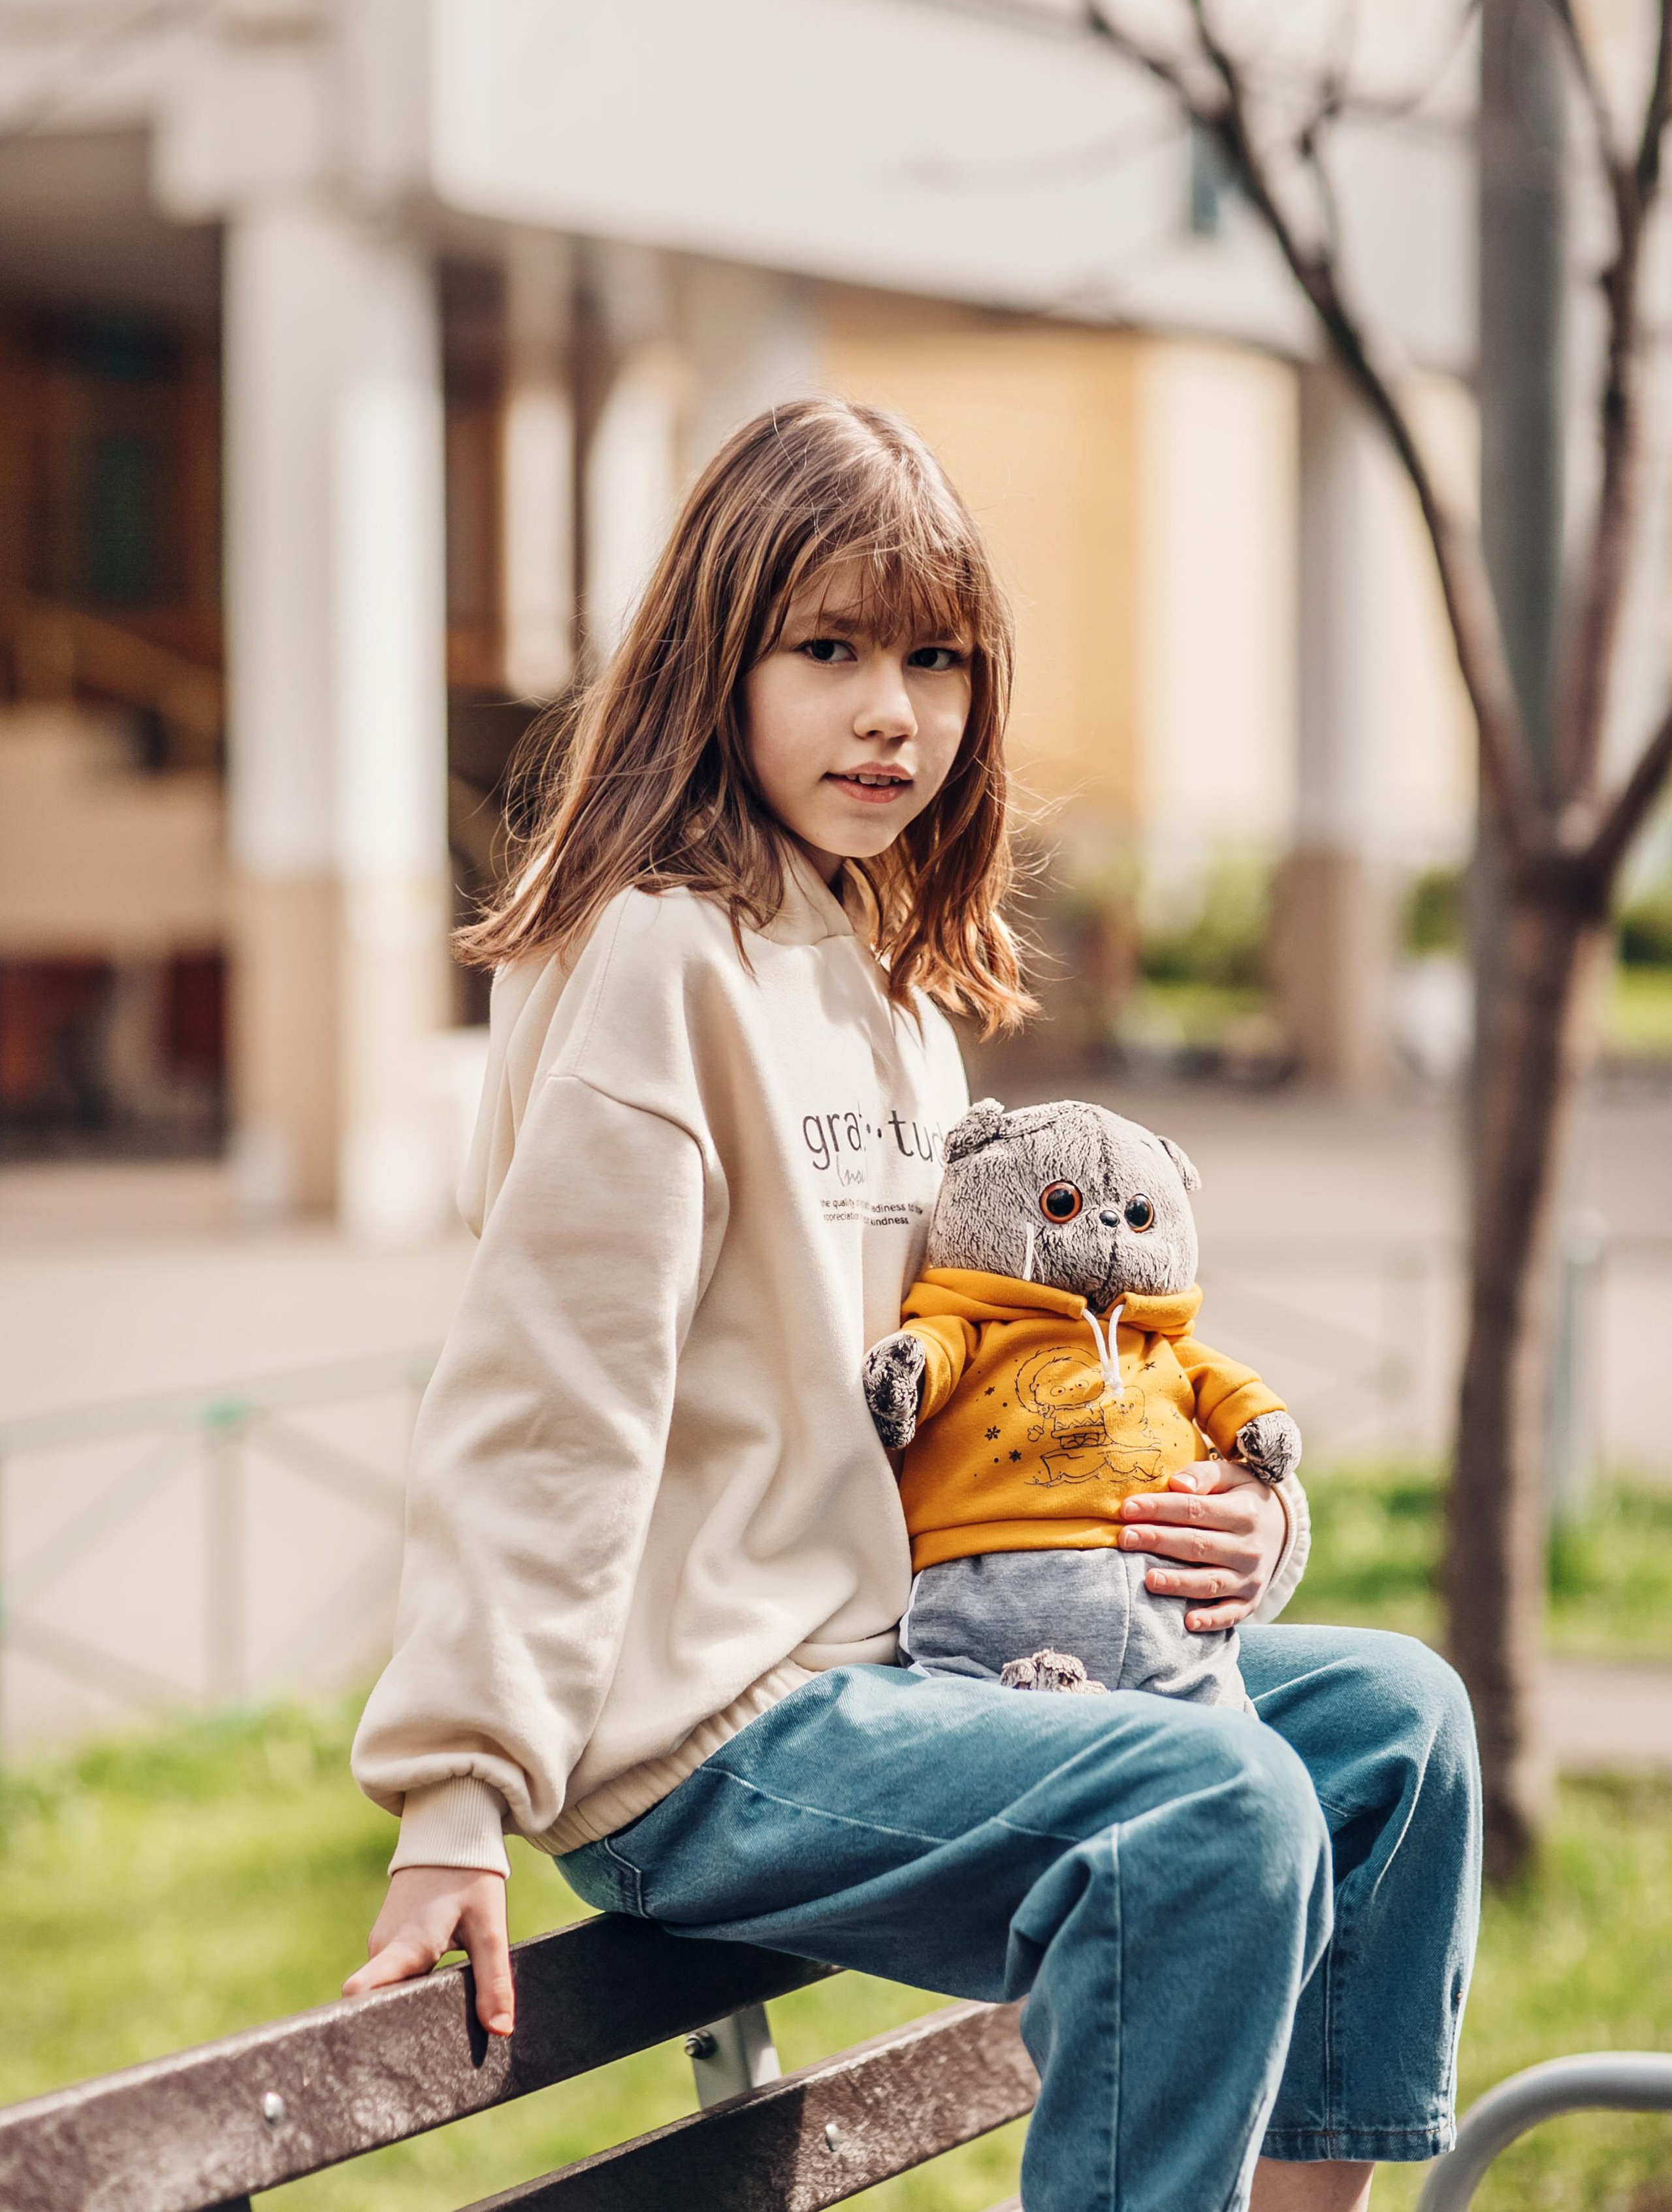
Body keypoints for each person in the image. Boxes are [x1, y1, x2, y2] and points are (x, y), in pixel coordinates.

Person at [346, 398, 1481, 2212]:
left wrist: (1229, 1518)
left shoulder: (884, 978)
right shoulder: (660, 953)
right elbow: (544, 1398)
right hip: (702, 1741)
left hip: (905, 1661)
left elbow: (1002, 1371)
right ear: (721, 658)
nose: (895, 709)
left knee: (1395, 1730)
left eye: (937, 657)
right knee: (1215, 1808)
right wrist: (458, 1792)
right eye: (833, 648)